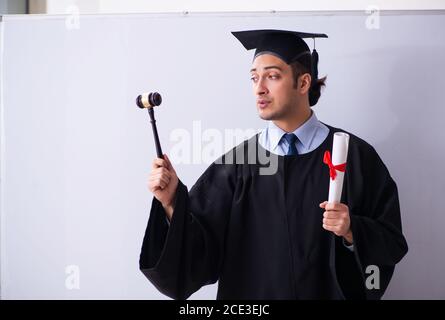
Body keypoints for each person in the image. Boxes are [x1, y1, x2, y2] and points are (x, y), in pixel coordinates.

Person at [139, 29, 408, 300]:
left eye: (272, 76)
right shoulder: (236, 165)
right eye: (254, 77)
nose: (259, 88)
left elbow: (390, 244)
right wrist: (171, 202)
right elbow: (199, 253)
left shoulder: (355, 158)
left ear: (303, 83)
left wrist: (351, 230)